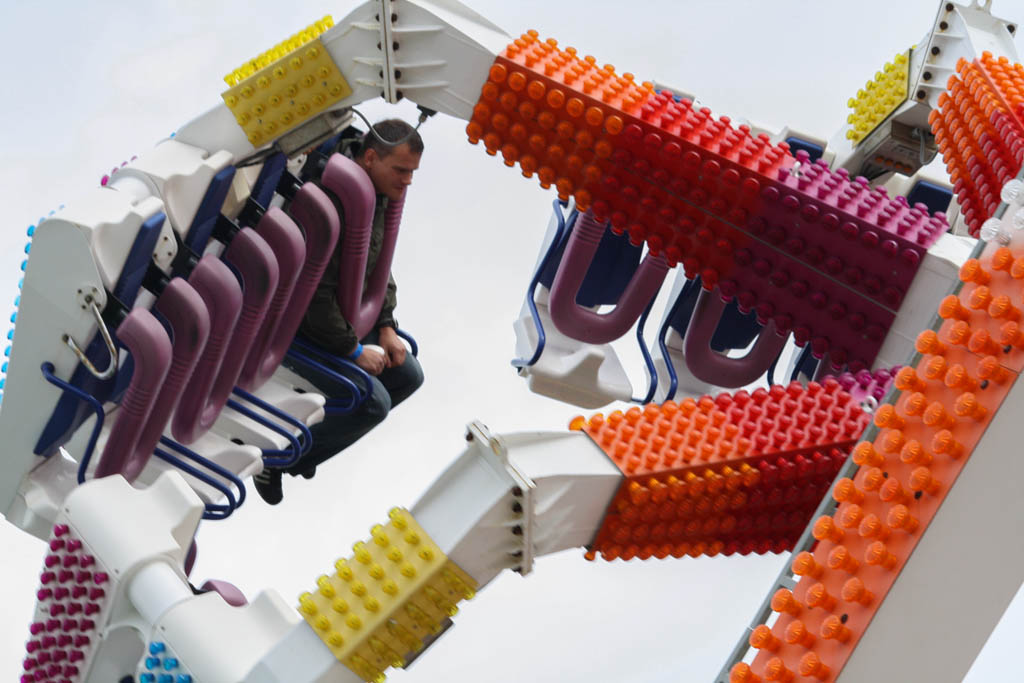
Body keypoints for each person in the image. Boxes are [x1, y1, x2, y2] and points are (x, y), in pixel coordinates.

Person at [254, 119, 425, 505]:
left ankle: (308, 449)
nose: (408, 181)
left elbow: (377, 263)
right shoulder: (333, 200)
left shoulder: (377, 193)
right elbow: (313, 296)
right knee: (371, 402)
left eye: (412, 172)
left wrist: (386, 324)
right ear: (370, 158)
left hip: (340, 318)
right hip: (300, 325)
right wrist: (353, 350)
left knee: (408, 375)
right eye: (401, 170)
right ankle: (279, 457)